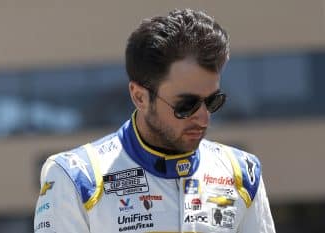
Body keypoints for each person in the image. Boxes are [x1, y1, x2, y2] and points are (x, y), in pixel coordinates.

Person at [34, 8, 276, 233]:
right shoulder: (76, 177)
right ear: (139, 97)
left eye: (213, 101)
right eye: (186, 105)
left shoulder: (243, 173)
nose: (203, 118)